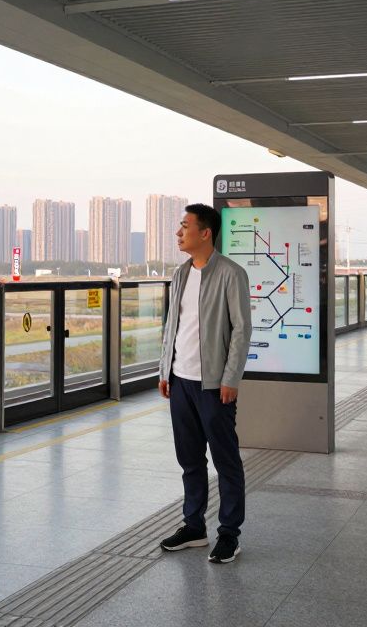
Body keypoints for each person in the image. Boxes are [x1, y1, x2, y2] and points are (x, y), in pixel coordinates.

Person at [158, 203, 251, 565]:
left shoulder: (231, 274)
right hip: (180, 382)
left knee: (226, 461)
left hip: (214, 386)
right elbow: (172, 326)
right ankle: (194, 526)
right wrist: (165, 370)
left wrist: (231, 378)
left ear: (205, 232)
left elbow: (242, 330)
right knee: (190, 460)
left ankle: (229, 533)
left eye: (185, 226)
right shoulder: (181, 274)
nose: (179, 233)